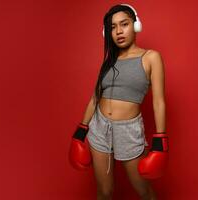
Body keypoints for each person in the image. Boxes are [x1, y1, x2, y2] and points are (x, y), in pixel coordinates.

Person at [69, 4, 169, 200]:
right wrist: (81, 130)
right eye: (113, 27)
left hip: (128, 131)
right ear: (107, 32)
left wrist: (160, 140)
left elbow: (158, 102)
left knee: (144, 191)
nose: (119, 31)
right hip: (99, 128)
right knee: (104, 192)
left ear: (136, 26)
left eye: (124, 24)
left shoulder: (151, 57)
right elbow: (95, 97)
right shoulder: (109, 61)